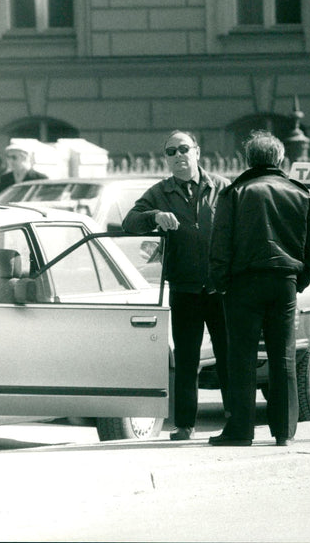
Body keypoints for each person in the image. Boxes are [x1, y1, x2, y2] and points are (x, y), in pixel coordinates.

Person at [208, 131, 310, 447]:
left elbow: (221, 243)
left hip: (244, 282)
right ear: (281, 160)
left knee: (241, 357)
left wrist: (221, 283)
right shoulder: (301, 193)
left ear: (247, 160)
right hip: (284, 281)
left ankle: (241, 429)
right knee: (282, 355)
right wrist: (300, 281)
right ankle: (284, 430)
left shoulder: (236, 192)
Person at [122, 130, 231, 440]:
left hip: (220, 287)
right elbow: (131, 221)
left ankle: (235, 418)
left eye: (184, 148)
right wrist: (155, 216)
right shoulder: (160, 192)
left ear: (197, 151)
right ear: (166, 159)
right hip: (184, 287)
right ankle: (184, 424)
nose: (179, 155)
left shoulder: (221, 187)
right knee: (186, 359)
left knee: (228, 355)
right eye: (171, 151)